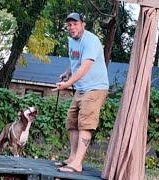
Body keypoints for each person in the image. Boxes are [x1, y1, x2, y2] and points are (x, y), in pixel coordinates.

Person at [52, 12, 109, 173]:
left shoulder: (91, 41)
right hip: (81, 88)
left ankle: (77, 163)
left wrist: (67, 84)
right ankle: (71, 158)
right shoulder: (71, 40)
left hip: (95, 88)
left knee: (85, 124)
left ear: (83, 24)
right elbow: (76, 61)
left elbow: (85, 66)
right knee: (72, 121)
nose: (72, 27)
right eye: (69, 25)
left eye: (75, 24)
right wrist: (68, 72)